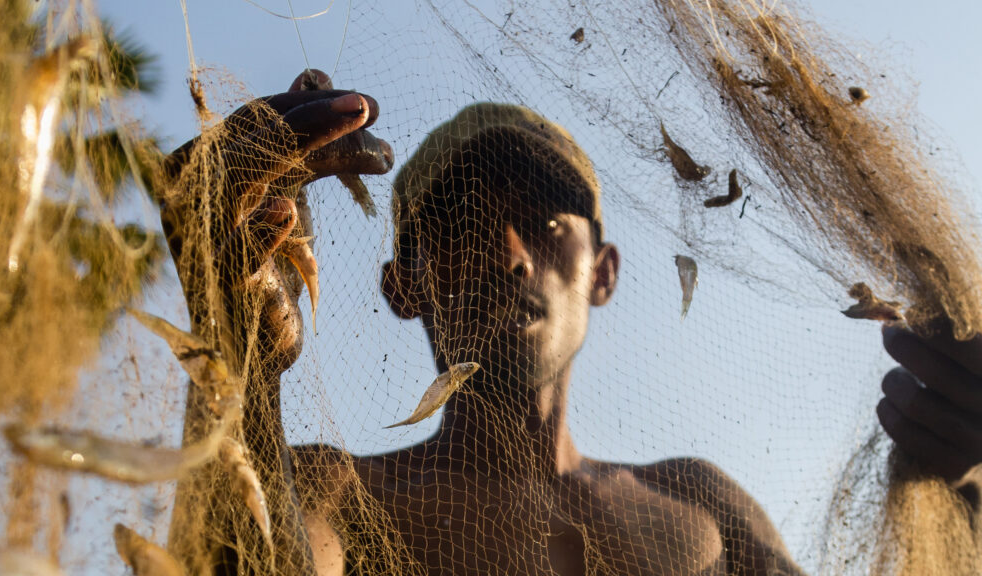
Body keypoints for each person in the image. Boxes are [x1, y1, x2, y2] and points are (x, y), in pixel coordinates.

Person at [159, 70, 982, 575]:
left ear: (605, 274)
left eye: (548, 225)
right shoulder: (340, 494)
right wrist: (237, 356)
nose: (511, 257)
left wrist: (963, 484)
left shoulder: (702, 505)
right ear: (402, 286)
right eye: (462, 224)